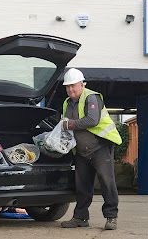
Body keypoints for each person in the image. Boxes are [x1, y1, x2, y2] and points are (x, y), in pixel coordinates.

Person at [60, 68, 122, 230]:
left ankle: (111, 217)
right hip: (81, 150)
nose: (70, 89)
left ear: (82, 84)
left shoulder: (91, 97)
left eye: (73, 86)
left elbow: (92, 120)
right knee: (82, 185)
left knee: (106, 182)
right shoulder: (67, 103)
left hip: (100, 147)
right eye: (68, 87)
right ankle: (80, 217)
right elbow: (64, 125)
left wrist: (70, 124)